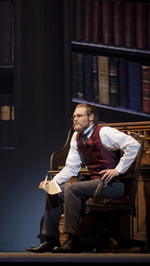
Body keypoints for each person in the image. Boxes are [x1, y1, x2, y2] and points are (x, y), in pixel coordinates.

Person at [26, 103, 141, 253]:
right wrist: (53, 183)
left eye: (79, 116)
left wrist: (118, 170)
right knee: (55, 191)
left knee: (72, 189)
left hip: (114, 186)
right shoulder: (76, 136)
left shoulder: (104, 132)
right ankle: (51, 240)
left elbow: (134, 145)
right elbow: (71, 167)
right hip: (95, 185)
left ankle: (73, 240)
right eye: (74, 116)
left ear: (91, 117)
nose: (75, 119)